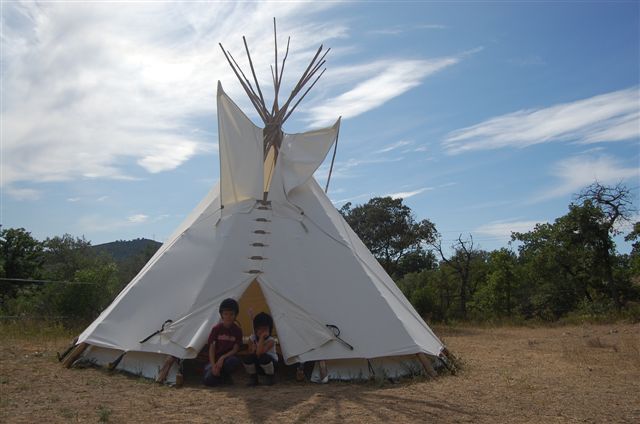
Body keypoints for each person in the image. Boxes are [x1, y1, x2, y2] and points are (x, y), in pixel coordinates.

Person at [203, 298, 242, 386]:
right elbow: (212, 348)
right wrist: (213, 366)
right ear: (221, 315)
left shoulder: (237, 331)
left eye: (231, 314)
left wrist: (223, 358)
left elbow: (235, 349)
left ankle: (225, 375)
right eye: (226, 314)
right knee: (208, 381)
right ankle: (221, 378)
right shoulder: (216, 329)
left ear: (235, 315)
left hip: (227, 360)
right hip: (214, 360)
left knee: (233, 361)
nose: (228, 317)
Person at [243, 312, 278, 386]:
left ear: (269, 329)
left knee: (264, 357)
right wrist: (252, 349)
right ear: (255, 329)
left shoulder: (271, 340)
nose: (262, 331)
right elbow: (250, 351)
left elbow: (260, 352)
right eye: (259, 329)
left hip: (271, 364)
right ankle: (253, 377)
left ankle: (270, 377)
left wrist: (261, 338)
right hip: (259, 365)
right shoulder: (252, 338)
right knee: (248, 358)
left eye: (265, 329)